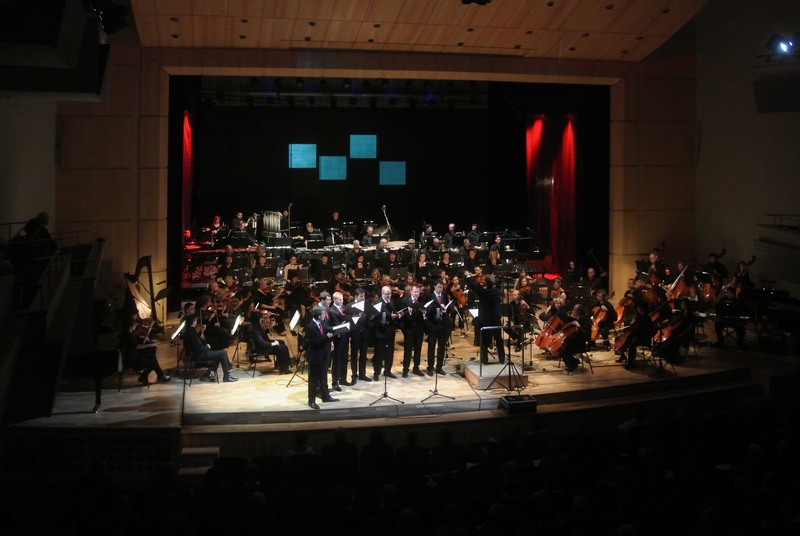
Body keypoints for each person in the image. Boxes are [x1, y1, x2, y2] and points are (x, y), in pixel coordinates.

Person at [182, 312, 237, 382]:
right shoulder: (191, 333)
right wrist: (207, 346)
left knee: (219, 354)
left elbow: (199, 343)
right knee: (223, 353)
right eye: (196, 321)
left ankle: (208, 374)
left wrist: (202, 336)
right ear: (193, 322)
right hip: (198, 355)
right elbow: (199, 348)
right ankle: (227, 376)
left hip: (198, 353)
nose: (197, 322)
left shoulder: (190, 330)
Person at [464, 272, 504, 364]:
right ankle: (502, 358)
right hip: (495, 319)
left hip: (485, 320)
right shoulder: (497, 292)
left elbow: (474, 286)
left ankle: (485, 359)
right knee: (498, 339)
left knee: (484, 341)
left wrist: (469, 276)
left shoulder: (483, 292)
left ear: (486, 283)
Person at [119, 318, 171, 385]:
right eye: (134, 325)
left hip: (134, 354)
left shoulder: (128, 334)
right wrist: (149, 345)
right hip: (132, 359)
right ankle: (155, 376)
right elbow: (136, 346)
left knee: (151, 357)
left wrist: (142, 337)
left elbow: (135, 340)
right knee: (152, 362)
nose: (135, 326)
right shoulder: (127, 336)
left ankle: (157, 376)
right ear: (130, 326)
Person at [305, 308, 338, 409]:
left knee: (323, 377)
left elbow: (327, 329)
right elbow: (314, 343)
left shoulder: (322, 323)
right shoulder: (310, 327)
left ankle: (325, 396)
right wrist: (327, 337)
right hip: (316, 357)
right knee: (313, 380)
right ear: (319, 316)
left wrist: (339, 328)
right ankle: (311, 401)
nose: (325, 315)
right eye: (323, 314)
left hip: (324, 354)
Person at [344, 288, 372, 384]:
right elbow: (347, 319)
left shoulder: (367, 304)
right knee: (354, 355)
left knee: (363, 355)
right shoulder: (349, 306)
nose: (363, 298)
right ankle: (354, 375)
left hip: (364, 332)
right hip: (355, 333)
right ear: (355, 296)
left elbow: (369, 317)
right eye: (361, 296)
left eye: (364, 296)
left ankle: (362, 374)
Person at [372, 285, 400, 379]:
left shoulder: (392, 301)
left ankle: (388, 371)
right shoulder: (378, 303)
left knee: (390, 352)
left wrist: (397, 315)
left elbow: (394, 311)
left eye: (390, 294)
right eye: (387, 294)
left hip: (390, 331)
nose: (389, 296)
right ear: (382, 293)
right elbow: (376, 317)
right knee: (379, 353)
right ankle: (377, 372)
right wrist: (389, 317)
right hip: (381, 331)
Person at [615, 301, 653, 370]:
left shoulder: (646, 318)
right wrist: (623, 332)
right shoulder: (639, 316)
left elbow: (642, 331)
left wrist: (631, 335)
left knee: (632, 343)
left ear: (642, 308)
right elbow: (633, 326)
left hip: (644, 338)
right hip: (637, 335)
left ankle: (631, 362)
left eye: (638, 307)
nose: (637, 309)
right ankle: (623, 356)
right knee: (619, 338)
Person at [425, 280, 452, 375]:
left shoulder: (444, 296)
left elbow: (450, 308)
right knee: (431, 347)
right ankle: (430, 367)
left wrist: (446, 309)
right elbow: (427, 310)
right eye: (438, 287)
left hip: (443, 324)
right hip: (433, 324)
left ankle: (439, 366)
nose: (440, 289)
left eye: (441, 287)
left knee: (441, 347)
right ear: (434, 287)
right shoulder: (429, 296)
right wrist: (437, 309)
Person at [558, 304, 593, 373]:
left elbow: (587, 336)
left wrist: (578, 326)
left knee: (563, 349)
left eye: (574, 309)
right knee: (560, 347)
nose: (572, 311)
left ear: (579, 311)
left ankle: (573, 364)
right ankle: (574, 362)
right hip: (573, 341)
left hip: (580, 344)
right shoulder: (575, 319)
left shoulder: (586, 320)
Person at [401, 284, 426, 377]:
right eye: (415, 292)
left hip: (419, 327)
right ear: (411, 291)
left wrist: (424, 312)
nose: (417, 294)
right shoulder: (405, 300)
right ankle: (405, 369)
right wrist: (409, 312)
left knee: (418, 348)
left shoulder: (421, 300)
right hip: (409, 328)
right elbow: (401, 314)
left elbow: (425, 312)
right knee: (407, 349)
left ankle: (416, 367)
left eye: (418, 292)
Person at [328, 292, 350, 390]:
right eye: (340, 299)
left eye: (342, 299)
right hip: (337, 339)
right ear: (334, 300)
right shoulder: (332, 311)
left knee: (344, 358)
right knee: (337, 361)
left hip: (345, 337)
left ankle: (343, 378)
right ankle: (335, 381)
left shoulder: (344, 308)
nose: (342, 301)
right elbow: (336, 326)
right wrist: (344, 324)